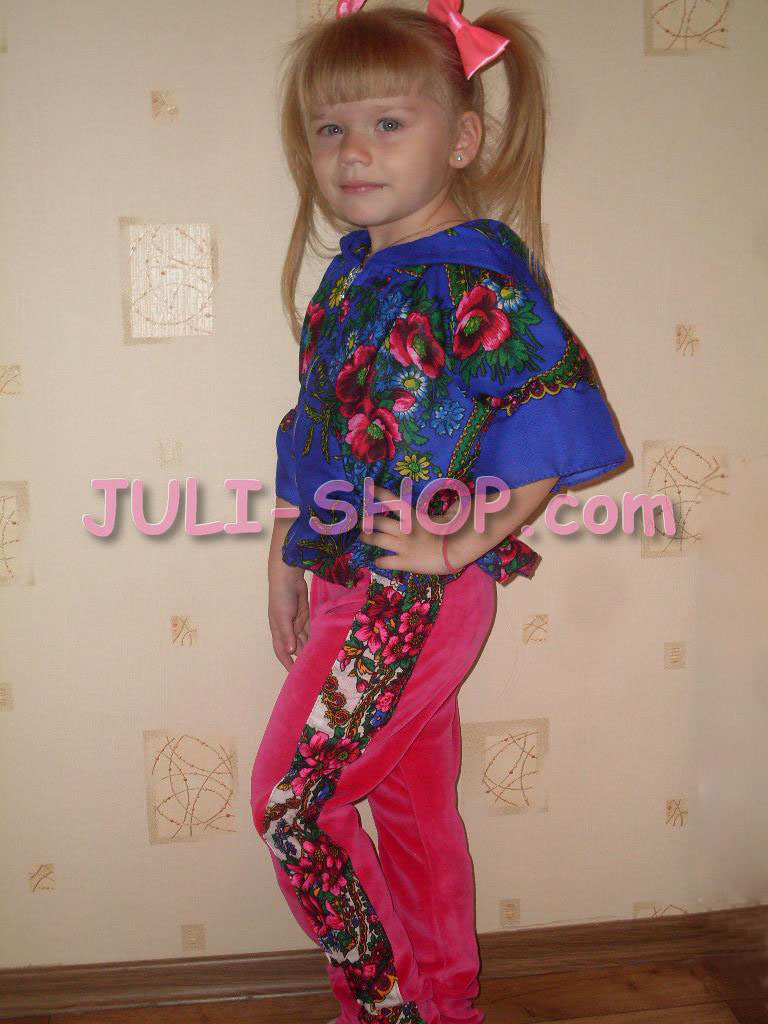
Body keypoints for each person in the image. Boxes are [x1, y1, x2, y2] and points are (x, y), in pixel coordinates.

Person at [250, 3, 628, 1022]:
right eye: (330, 128)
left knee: (292, 807)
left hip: (408, 596)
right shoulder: (353, 278)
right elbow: (313, 422)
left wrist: (459, 544)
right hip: (354, 583)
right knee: (414, 812)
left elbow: (554, 415)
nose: (353, 151)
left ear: (461, 139)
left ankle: (385, 1008)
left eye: (387, 123)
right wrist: (284, 551)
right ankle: (444, 1004)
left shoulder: (471, 278)